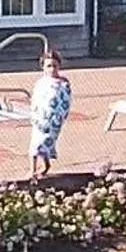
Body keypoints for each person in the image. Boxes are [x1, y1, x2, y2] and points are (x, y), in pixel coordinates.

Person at [27, 49, 73, 179]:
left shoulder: (63, 84)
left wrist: (60, 117)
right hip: (40, 119)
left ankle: (46, 165)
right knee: (35, 144)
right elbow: (36, 99)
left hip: (54, 121)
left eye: (54, 65)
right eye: (48, 66)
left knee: (46, 143)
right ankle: (32, 169)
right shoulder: (41, 83)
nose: (52, 69)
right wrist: (35, 114)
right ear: (43, 67)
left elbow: (66, 101)